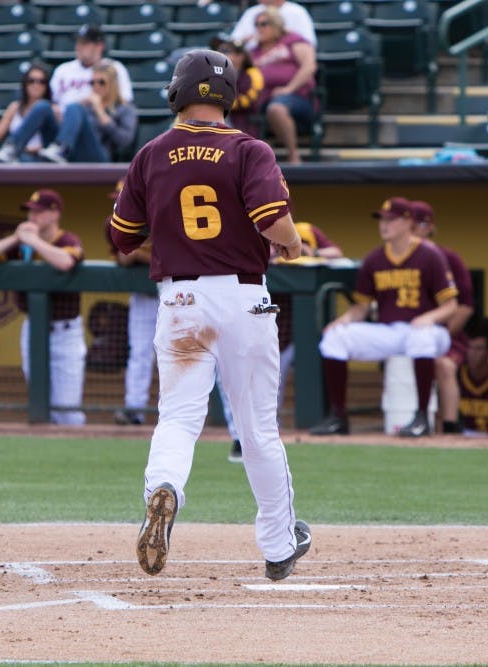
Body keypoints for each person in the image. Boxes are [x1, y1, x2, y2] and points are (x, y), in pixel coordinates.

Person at [110, 48, 311, 580]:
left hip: (179, 300)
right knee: (257, 429)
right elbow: (273, 221)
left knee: (178, 417)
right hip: (243, 297)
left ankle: (165, 488)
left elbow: (122, 236)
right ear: (229, 96)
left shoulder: (151, 154)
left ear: (177, 92)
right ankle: (278, 544)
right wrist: (292, 245)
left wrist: (165, 221)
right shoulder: (249, 149)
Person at [309, 196, 459, 438]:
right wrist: (342, 321)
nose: (384, 224)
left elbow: (451, 306)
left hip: (431, 333)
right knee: (335, 338)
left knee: (420, 336)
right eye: (382, 219)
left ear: (408, 222)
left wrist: (429, 318)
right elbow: (361, 308)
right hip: (390, 331)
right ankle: (338, 417)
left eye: (391, 219)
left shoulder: (430, 255)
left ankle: (422, 417)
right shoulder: (374, 259)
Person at [224, 220, 343, 462]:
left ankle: (269, 434)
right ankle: (252, 436)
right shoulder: (241, 231)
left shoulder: (304, 230)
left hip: (298, 323)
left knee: (274, 378)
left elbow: (337, 253)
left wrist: (310, 251)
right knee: (259, 379)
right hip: (261, 313)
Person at [0, 189, 87, 425]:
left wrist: (34, 241)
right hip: (33, 328)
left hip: (65, 332)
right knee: (39, 400)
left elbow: (66, 262)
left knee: (66, 410)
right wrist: (15, 238)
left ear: (55, 214)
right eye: (30, 211)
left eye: (39, 211)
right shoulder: (21, 244)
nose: (32, 216)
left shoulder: (67, 240)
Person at [411, 201, 474, 433]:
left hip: (446, 332)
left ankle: (449, 426)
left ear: (429, 227)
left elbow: (465, 307)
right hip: (408, 332)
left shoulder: (447, 257)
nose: (412, 230)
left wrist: (442, 337)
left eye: (417, 225)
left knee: (443, 365)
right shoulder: (393, 258)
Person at [105, 180, 157, 427]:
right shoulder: (116, 225)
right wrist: (135, 252)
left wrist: (139, 254)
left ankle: (185, 415)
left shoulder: (163, 215)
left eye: (122, 198)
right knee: (139, 353)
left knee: (184, 355)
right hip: (144, 297)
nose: (118, 204)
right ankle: (134, 409)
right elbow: (123, 258)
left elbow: (170, 258)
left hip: (179, 295)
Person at [248, 7, 317, 164]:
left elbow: (309, 67)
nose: (259, 28)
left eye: (264, 24)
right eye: (256, 24)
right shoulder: (254, 51)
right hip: (264, 99)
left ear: (276, 25)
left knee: (277, 108)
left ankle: (293, 156)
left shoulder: (293, 41)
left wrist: (288, 89)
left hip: (298, 97)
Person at [36, 60, 137, 164]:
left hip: (101, 156)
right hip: (76, 152)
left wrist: (100, 112)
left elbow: (125, 140)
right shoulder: (85, 107)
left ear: (112, 84)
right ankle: (23, 150)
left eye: (101, 82)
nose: (96, 86)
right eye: (92, 82)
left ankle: (61, 150)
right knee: (44, 106)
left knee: (74, 107)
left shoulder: (125, 108)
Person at [50, 24, 134, 110]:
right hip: (63, 116)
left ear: (99, 46)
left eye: (84, 43)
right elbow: (52, 101)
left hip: (96, 115)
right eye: (77, 43)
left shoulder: (114, 68)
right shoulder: (62, 70)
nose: (78, 47)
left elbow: (125, 101)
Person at [212, 35, 265, 138]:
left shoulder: (252, 73)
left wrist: (220, 103)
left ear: (240, 56)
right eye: (219, 51)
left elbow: (250, 99)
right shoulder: (215, 74)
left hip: (245, 126)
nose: (221, 54)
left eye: (226, 51)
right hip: (220, 121)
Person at [230, 0, 317, 48]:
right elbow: (234, 41)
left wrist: (284, 35)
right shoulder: (251, 12)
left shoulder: (297, 12)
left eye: (263, 24)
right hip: (253, 60)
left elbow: (309, 43)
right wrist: (249, 39)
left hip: (287, 60)